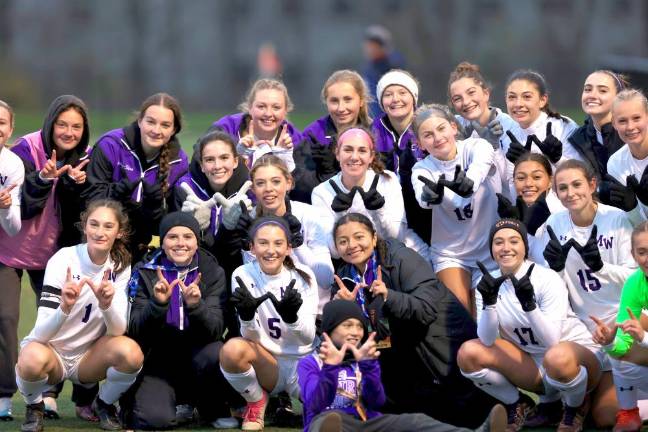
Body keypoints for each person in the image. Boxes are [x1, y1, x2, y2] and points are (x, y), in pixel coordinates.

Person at [331, 213, 497, 428]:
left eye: (358, 237)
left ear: (373, 238)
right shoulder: (344, 280)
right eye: (343, 241)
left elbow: (426, 310)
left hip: (436, 345)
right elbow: (351, 340)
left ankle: (509, 408)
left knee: (462, 413)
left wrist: (389, 297)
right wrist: (346, 311)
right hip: (396, 352)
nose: (351, 245)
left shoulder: (401, 258)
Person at [458, 218, 605, 432]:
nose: (506, 248)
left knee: (556, 357)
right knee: (468, 353)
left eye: (514, 241)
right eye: (498, 242)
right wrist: (489, 303)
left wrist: (530, 305)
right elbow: (487, 340)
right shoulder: (488, 281)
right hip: (535, 365)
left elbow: (553, 341)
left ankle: (575, 407)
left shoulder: (546, 278)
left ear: (525, 247)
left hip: (577, 357)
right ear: (491, 249)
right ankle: (518, 403)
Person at [15, 199, 143, 432]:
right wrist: (64, 307)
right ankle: (34, 408)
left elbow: (117, 331)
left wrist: (107, 305)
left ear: (119, 232)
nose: (100, 232)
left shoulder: (120, 265)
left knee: (131, 353)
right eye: (94, 224)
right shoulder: (63, 260)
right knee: (30, 357)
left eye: (108, 226)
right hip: (52, 354)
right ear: (85, 227)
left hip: (88, 359)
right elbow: (41, 334)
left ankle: (104, 405)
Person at [8, 95, 96, 419]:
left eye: (76, 126)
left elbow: (78, 217)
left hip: (55, 251)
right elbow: (25, 206)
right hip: (15, 245)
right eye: (62, 124)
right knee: (20, 319)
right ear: (50, 124)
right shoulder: (25, 150)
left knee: (65, 316)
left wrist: (75, 187)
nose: (69, 132)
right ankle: (18, 393)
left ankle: (52, 393)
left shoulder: (84, 159)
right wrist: (44, 178)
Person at [298, 299, 508, 432]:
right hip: (326, 422)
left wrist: (369, 366)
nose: (355, 332)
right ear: (330, 328)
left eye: (359, 327)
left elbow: (377, 401)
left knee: (415, 421)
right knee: (327, 421)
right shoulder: (310, 363)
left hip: (366, 423)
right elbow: (315, 403)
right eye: (347, 325)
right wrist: (330, 368)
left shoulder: (363, 359)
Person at [120, 211, 232, 430]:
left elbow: (216, 329)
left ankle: (212, 408)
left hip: (198, 353)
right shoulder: (144, 272)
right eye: (172, 237)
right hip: (158, 360)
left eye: (187, 237)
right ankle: (173, 403)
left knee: (216, 352)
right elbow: (134, 330)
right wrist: (157, 304)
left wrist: (195, 306)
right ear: (162, 243)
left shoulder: (212, 271)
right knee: (154, 420)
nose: (180, 243)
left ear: (196, 242)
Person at [220, 216, 318, 431]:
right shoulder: (243, 274)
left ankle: (309, 402)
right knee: (232, 350)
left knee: (329, 413)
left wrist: (292, 318)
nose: (270, 250)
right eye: (263, 243)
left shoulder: (304, 276)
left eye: (278, 243)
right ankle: (256, 401)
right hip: (267, 362)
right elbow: (250, 339)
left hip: (303, 360)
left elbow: (308, 337)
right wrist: (246, 317)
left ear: (289, 248)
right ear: (252, 248)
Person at [411, 104, 501, 315]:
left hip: (489, 250)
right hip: (450, 252)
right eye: (428, 135)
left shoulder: (476, 146)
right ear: (420, 143)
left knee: (487, 316)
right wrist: (430, 197)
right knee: (461, 316)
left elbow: (481, 165)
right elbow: (423, 197)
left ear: (453, 127)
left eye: (442, 129)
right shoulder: (422, 168)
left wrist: (468, 183)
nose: (438, 138)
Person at [84, 92, 189, 263]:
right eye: (150, 122)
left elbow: (172, 217)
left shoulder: (179, 162)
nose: (156, 130)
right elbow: (91, 198)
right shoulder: (111, 144)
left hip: (144, 245)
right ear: (140, 121)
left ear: (174, 129)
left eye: (165, 125)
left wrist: (154, 208)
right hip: (102, 239)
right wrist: (117, 194)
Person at [311, 126, 430, 260]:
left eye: (362, 150)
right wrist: (340, 215)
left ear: (371, 156)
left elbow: (397, 237)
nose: (354, 157)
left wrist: (378, 211)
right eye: (348, 150)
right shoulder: (321, 192)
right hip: (361, 262)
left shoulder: (388, 180)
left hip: (406, 254)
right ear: (337, 154)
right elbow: (335, 252)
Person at [244, 154, 334, 312]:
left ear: (289, 183)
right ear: (253, 189)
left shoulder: (309, 214)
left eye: (276, 181)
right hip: (269, 316)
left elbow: (326, 279)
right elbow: (253, 281)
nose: (268, 189)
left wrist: (298, 245)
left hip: (314, 315)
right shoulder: (248, 221)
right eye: (260, 183)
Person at [591, 221, 648, 431]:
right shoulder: (634, 283)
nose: (647, 258)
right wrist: (608, 342)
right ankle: (629, 414)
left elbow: (642, 337)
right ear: (633, 255)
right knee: (619, 357)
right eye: (642, 252)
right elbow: (622, 347)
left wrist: (644, 338)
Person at [174, 129, 251, 278]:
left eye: (224, 158)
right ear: (201, 165)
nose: (217, 166)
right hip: (197, 268)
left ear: (235, 161)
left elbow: (249, 246)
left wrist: (230, 229)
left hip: (237, 267)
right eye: (209, 160)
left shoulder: (249, 187)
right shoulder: (184, 188)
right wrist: (197, 229)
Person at [292, 70, 372, 203]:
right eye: (334, 101)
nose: (341, 108)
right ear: (326, 102)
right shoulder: (313, 135)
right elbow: (298, 187)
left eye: (348, 100)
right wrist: (322, 177)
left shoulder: (375, 132)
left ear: (361, 101)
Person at [372, 69, 431, 244]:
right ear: (382, 102)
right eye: (388, 94)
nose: (395, 99)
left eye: (402, 92)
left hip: (427, 215)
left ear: (413, 97)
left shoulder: (429, 123)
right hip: (388, 217)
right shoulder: (372, 131)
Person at [502, 69, 580, 196]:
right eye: (512, 97)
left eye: (527, 97)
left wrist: (558, 159)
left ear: (543, 100)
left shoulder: (563, 126)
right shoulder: (508, 132)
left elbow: (582, 176)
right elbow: (511, 184)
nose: (518, 104)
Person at [447, 61, 516, 195]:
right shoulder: (452, 128)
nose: (466, 102)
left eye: (471, 92)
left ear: (486, 93)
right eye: (457, 98)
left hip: (504, 208)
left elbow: (512, 181)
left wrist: (492, 148)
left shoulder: (510, 126)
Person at [212, 78, 301, 172]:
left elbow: (305, 184)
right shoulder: (226, 129)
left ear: (285, 111)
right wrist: (237, 156)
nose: (268, 114)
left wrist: (287, 165)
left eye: (276, 107)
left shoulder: (296, 140)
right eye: (261, 106)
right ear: (250, 107)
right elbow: (202, 162)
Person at [0, 100, 24, 421]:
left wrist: (5, 207)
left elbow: (14, 227)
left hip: (2, 255)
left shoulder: (12, 164)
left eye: (1, 122)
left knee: (6, 318)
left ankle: (3, 395)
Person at [567, 70, 628, 180]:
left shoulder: (631, 133)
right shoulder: (578, 137)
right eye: (588, 89)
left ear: (618, 97)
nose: (592, 95)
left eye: (603, 91)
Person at [605, 89, 648, 227]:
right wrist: (632, 208)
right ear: (613, 123)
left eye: (636, 118)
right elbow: (639, 228)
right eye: (622, 121)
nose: (630, 127)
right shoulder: (616, 163)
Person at [496, 153, 563, 236]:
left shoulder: (563, 214)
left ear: (550, 181)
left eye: (537, 177)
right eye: (521, 178)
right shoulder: (516, 213)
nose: (528, 183)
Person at [362, 25, 406, 119]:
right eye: (368, 46)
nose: (369, 50)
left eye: (373, 46)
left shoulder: (392, 67)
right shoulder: (369, 68)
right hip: (374, 120)